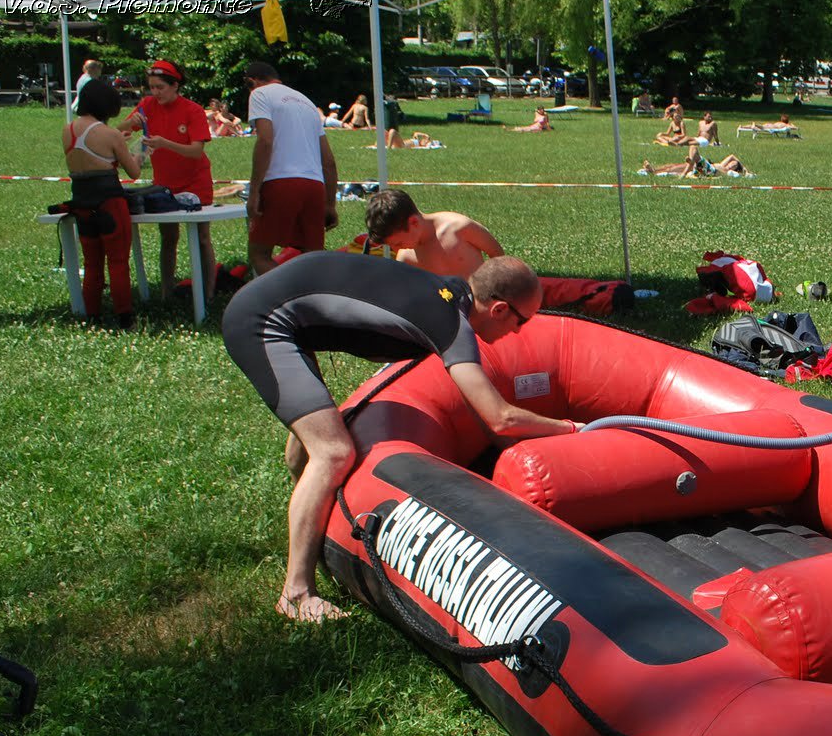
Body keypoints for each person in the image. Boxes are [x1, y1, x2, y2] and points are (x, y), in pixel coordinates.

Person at [222, 253, 578, 622]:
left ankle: (316, 535)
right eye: (522, 322)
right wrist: (570, 428)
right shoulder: (450, 322)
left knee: (312, 445)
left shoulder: (450, 293)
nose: (518, 333)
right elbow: (500, 417)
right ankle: (296, 594)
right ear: (501, 309)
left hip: (284, 305)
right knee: (332, 451)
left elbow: (484, 415)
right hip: (265, 321)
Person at [118, 59, 216, 295]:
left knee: (202, 237)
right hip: (164, 184)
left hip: (196, 181)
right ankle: (166, 291)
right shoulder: (147, 105)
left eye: (160, 87)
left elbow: (196, 151)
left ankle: (209, 291)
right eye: (152, 87)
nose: (155, 92)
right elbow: (118, 131)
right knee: (168, 237)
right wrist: (130, 123)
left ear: (175, 86)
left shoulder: (192, 110)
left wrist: (164, 144)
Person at [245, 61, 338, 277]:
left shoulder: (259, 95)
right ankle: (317, 301)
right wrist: (330, 204)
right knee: (312, 257)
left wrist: (254, 191)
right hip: (314, 186)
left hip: (280, 182)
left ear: (252, 81)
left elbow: (265, 141)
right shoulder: (307, 102)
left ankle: (288, 298)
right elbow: (329, 161)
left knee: (259, 254)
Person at [62, 80, 143, 328]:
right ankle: (125, 317)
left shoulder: (68, 130)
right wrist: (139, 154)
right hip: (110, 202)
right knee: (117, 261)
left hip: (82, 201)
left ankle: (93, 315)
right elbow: (134, 172)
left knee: (92, 262)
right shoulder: (110, 135)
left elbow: (92, 151)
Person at [364, 188, 503, 278]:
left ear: (414, 223)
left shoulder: (459, 228)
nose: (396, 249)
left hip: (480, 308)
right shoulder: (406, 258)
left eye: (398, 243)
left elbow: (497, 254)